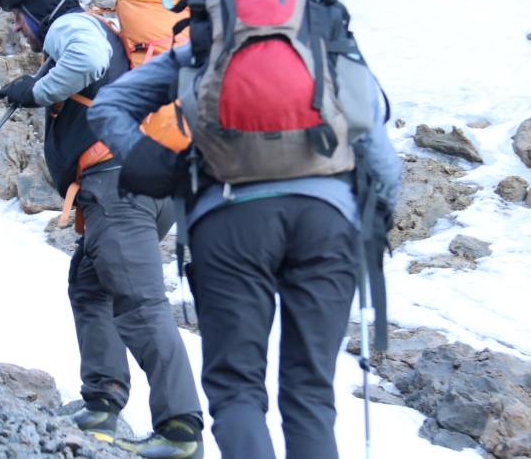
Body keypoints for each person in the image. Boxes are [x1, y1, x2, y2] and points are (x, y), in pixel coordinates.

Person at [88, 36, 401, 458]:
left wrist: (169, 172)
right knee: (310, 392)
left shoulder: (208, 43)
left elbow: (109, 105)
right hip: (325, 221)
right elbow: (379, 150)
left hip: (230, 218)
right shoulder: (331, 48)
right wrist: (376, 218)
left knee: (237, 390)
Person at [0, 0, 205, 459]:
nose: (19, 29)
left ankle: (180, 432)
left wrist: (36, 89)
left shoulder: (72, 26)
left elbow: (85, 62)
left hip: (118, 186)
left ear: (37, 5)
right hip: (143, 186)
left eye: (18, 16)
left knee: (138, 300)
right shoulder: (102, 27)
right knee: (90, 285)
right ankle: (102, 404)